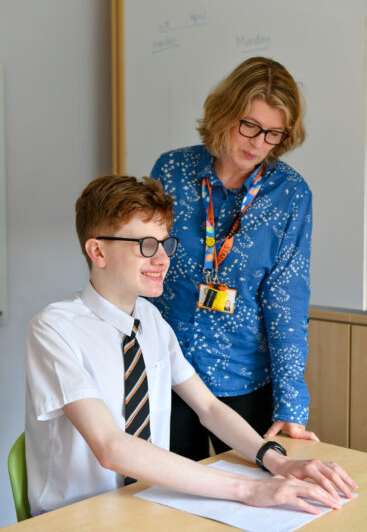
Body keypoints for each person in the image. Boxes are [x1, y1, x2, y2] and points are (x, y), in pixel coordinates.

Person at [24, 174, 356, 517]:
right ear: (98, 251)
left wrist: (274, 459)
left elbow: (208, 408)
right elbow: (112, 447)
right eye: (145, 245)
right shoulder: (54, 329)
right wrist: (249, 489)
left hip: (147, 506)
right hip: (76, 518)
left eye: (165, 244)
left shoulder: (151, 321)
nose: (162, 259)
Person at [150, 56, 316, 461]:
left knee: (253, 509)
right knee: (168, 509)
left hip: (243, 380)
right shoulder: (172, 170)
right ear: (225, 112)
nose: (258, 143)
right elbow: (144, 264)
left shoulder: (291, 195)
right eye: (250, 125)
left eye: (273, 133)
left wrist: (291, 404)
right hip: (167, 373)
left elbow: (286, 302)